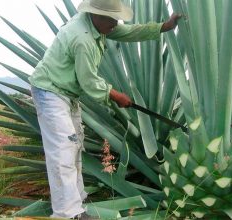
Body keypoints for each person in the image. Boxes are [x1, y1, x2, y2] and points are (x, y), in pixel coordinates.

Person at [29, 0, 182, 219]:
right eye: (112, 20)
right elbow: (89, 82)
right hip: (50, 92)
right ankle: (67, 214)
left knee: (74, 144)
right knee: (63, 150)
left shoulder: (96, 23)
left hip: (66, 92)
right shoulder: (82, 39)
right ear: (97, 16)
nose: (115, 24)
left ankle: (76, 202)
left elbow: (126, 32)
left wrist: (162, 27)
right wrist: (116, 95)